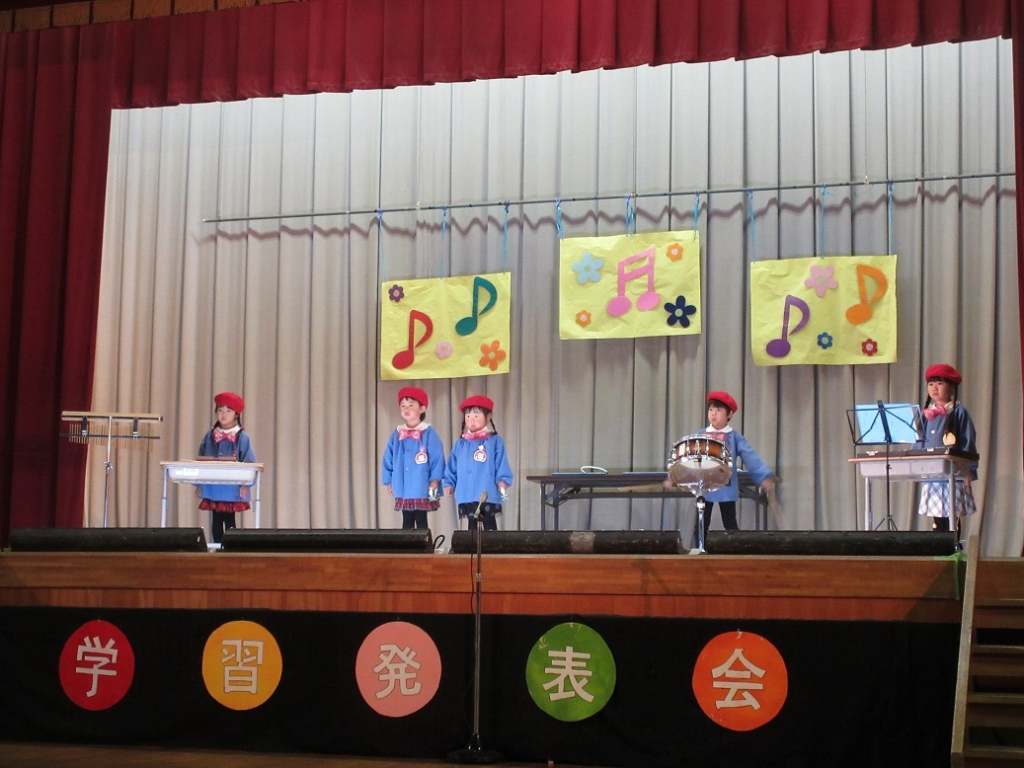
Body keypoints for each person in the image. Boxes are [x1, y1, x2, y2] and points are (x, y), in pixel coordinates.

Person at [691, 391, 775, 546]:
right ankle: (700, 551)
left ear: (729, 414)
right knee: (702, 523)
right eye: (711, 409)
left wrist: (763, 477)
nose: (713, 413)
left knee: (730, 523)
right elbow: (688, 457)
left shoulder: (734, 437)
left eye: (718, 410)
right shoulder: (701, 434)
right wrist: (675, 476)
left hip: (726, 485)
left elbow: (750, 456)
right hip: (705, 486)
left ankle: (735, 552)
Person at [916, 363, 977, 533]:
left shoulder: (959, 412)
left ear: (951, 387)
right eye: (930, 384)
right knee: (936, 517)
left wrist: (968, 469)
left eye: (940, 383)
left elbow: (968, 441)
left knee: (952, 515)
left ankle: (954, 545)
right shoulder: (925, 414)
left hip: (953, 473)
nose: (934, 388)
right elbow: (918, 440)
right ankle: (938, 545)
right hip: (932, 474)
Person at [443, 395, 514, 531]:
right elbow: (452, 465)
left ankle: (492, 545)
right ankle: (472, 545)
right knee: (472, 526)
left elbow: (501, 462)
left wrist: (502, 480)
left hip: (487, 492)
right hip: (467, 492)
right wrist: (449, 483)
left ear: (488, 417)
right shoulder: (460, 443)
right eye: (468, 416)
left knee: (489, 525)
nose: (472, 420)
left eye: (476, 416)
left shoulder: (494, 441)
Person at [381, 386, 445, 530]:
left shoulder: (429, 433)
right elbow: (388, 457)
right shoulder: (397, 433)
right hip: (402, 485)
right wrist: (389, 480)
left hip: (422, 484)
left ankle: (424, 544)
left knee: (421, 519)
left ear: (422, 409)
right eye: (403, 406)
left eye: (411, 405)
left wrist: (435, 480)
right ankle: (407, 544)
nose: (406, 409)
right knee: (406, 520)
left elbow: (437, 458)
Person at [197, 391, 257, 545]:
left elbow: (250, 462)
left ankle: (230, 547)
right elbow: (200, 460)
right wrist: (199, 484)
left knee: (230, 519)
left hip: (232, 487)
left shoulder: (242, 437)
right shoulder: (209, 436)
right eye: (220, 410)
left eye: (228, 411)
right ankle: (217, 546)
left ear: (236, 414)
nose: (223, 414)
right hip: (213, 485)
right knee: (216, 519)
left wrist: (245, 484)